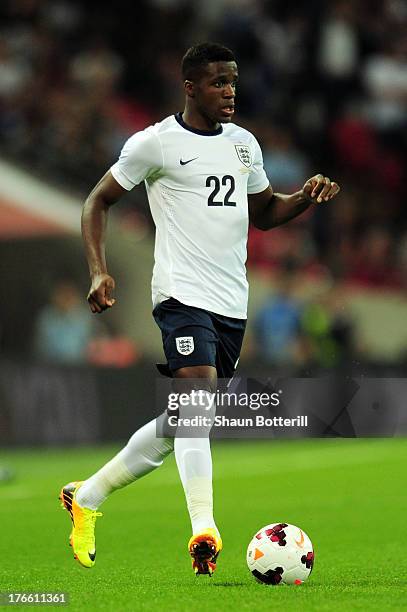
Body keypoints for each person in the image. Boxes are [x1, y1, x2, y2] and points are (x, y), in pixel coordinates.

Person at [59, 42, 340, 576]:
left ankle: (87, 495)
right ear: (190, 87)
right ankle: (203, 530)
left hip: (231, 302)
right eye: (217, 82)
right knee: (197, 403)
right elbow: (97, 200)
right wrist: (98, 268)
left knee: (186, 419)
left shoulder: (244, 145)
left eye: (232, 81)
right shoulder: (156, 143)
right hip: (180, 295)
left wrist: (303, 196)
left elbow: (263, 213)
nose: (229, 91)